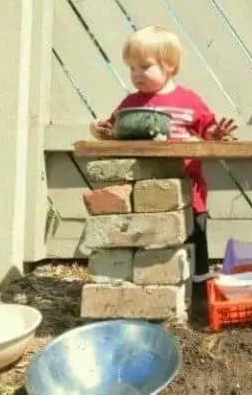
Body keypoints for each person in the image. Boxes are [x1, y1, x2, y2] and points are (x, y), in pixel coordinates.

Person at [90, 25, 237, 282]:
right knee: (155, 238)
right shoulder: (130, 104)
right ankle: (158, 278)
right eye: (132, 68)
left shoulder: (188, 100)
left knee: (195, 231)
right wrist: (100, 129)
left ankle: (200, 280)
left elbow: (207, 129)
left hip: (187, 186)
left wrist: (217, 134)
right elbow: (114, 130)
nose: (136, 74)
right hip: (144, 188)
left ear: (168, 66)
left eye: (144, 67)